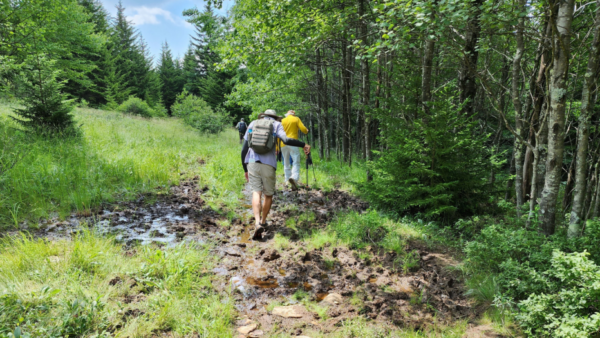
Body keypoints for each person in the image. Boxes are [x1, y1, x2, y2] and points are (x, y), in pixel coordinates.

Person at [241, 109, 311, 239]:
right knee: (268, 195)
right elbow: (286, 139)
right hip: (268, 163)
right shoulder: (276, 125)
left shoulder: (253, 123)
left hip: (252, 162)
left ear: (263, 116)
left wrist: (245, 168)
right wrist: (303, 144)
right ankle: (263, 221)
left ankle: (256, 222)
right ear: (274, 117)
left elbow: (244, 148)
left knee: (256, 192)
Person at [279, 110, 308, 190]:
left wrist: (277, 148)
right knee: (296, 161)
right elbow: (303, 129)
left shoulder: (282, 120)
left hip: (283, 144)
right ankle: (294, 178)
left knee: (286, 161)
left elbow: (279, 134)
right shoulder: (296, 119)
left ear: (287, 115)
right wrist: (306, 131)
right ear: (293, 114)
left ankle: (287, 180)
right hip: (293, 142)